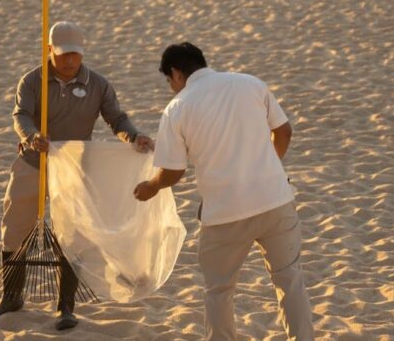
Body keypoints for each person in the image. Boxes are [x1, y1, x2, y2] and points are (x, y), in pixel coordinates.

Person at [134, 42, 314, 340]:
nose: (171, 88)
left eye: (169, 81)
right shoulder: (249, 83)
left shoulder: (177, 108)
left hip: (225, 214)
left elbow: (173, 172)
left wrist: (150, 187)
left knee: (219, 289)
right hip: (275, 200)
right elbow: (284, 132)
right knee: (290, 279)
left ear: (176, 74)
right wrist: (265, 167)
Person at [0, 21, 154, 330]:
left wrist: (133, 136)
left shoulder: (97, 84)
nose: (70, 61)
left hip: (74, 169)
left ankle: (66, 307)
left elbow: (117, 118)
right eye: (63, 54)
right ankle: (11, 296)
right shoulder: (32, 81)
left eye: (75, 54)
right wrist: (32, 135)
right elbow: (20, 115)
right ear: (50, 50)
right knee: (14, 227)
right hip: (34, 162)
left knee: (70, 235)